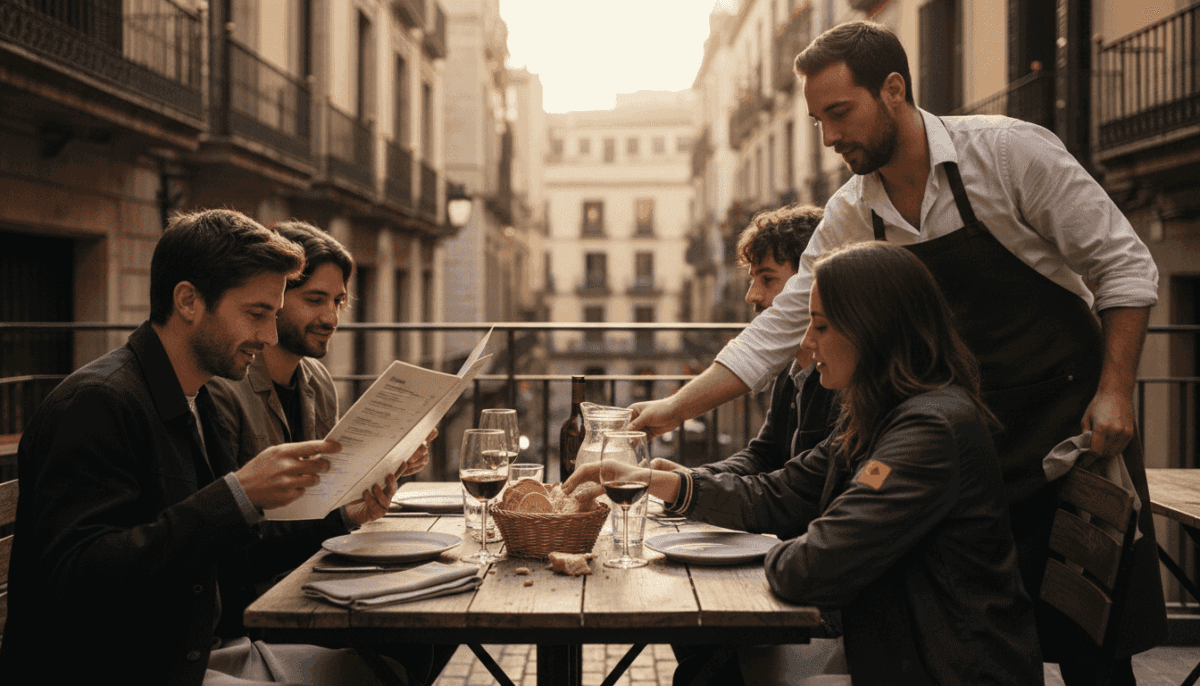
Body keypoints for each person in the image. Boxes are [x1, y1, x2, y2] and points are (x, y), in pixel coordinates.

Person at [628, 20, 1166, 682]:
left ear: (893, 89)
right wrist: (674, 409)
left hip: (1070, 428)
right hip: (973, 435)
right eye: (817, 119)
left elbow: (1125, 265)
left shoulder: (1006, 154)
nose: (829, 137)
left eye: (839, 113)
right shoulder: (855, 210)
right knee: (973, 619)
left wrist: (1115, 390)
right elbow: (782, 325)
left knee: (1091, 642)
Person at [572, 242, 1044, 685]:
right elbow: (781, 491)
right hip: (891, 641)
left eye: (820, 325)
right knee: (707, 650)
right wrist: (659, 481)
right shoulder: (887, 412)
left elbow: (813, 564)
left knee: (714, 660)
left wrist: (759, 556)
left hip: (942, 668)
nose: (807, 341)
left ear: (871, 329)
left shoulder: (929, 432)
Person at [0, 209, 407, 685]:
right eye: (256, 314)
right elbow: (79, 580)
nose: (270, 337)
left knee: (398, 660)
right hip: (136, 667)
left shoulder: (195, 398)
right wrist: (236, 496)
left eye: (274, 316)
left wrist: (343, 515)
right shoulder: (96, 403)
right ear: (188, 301)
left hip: (209, 651)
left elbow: (234, 559)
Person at [205, 220, 448, 681]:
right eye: (314, 300)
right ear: (275, 299)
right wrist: (344, 518)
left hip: (313, 572)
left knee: (433, 615)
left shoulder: (317, 381)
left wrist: (389, 465)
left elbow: (325, 497)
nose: (331, 317)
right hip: (261, 598)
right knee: (415, 635)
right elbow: (238, 538)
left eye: (338, 301)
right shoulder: (223, 391)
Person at [662, 204, 846, 684]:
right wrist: (686, 480)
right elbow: (765, 455)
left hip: (831, 595)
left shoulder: (846, 382)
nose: (752, 296)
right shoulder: (799, 365)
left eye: (767, 279)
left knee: (702, 650)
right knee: (691, 620)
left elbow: (792, 494)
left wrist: (680, 489)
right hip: (802, 560)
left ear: (810, 282)